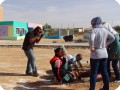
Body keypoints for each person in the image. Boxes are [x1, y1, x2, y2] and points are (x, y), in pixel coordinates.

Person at [89, 17, 115, 90]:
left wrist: (92, 46)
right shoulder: (105, 30)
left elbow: (91, 39)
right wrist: (106, 44)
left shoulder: (94, 30)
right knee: (104, 72)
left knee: (94, 73)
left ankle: (92, 88)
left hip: (95, 53)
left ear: (94, 23)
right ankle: (106, 88)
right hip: (104, 53)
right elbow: (113, 38)